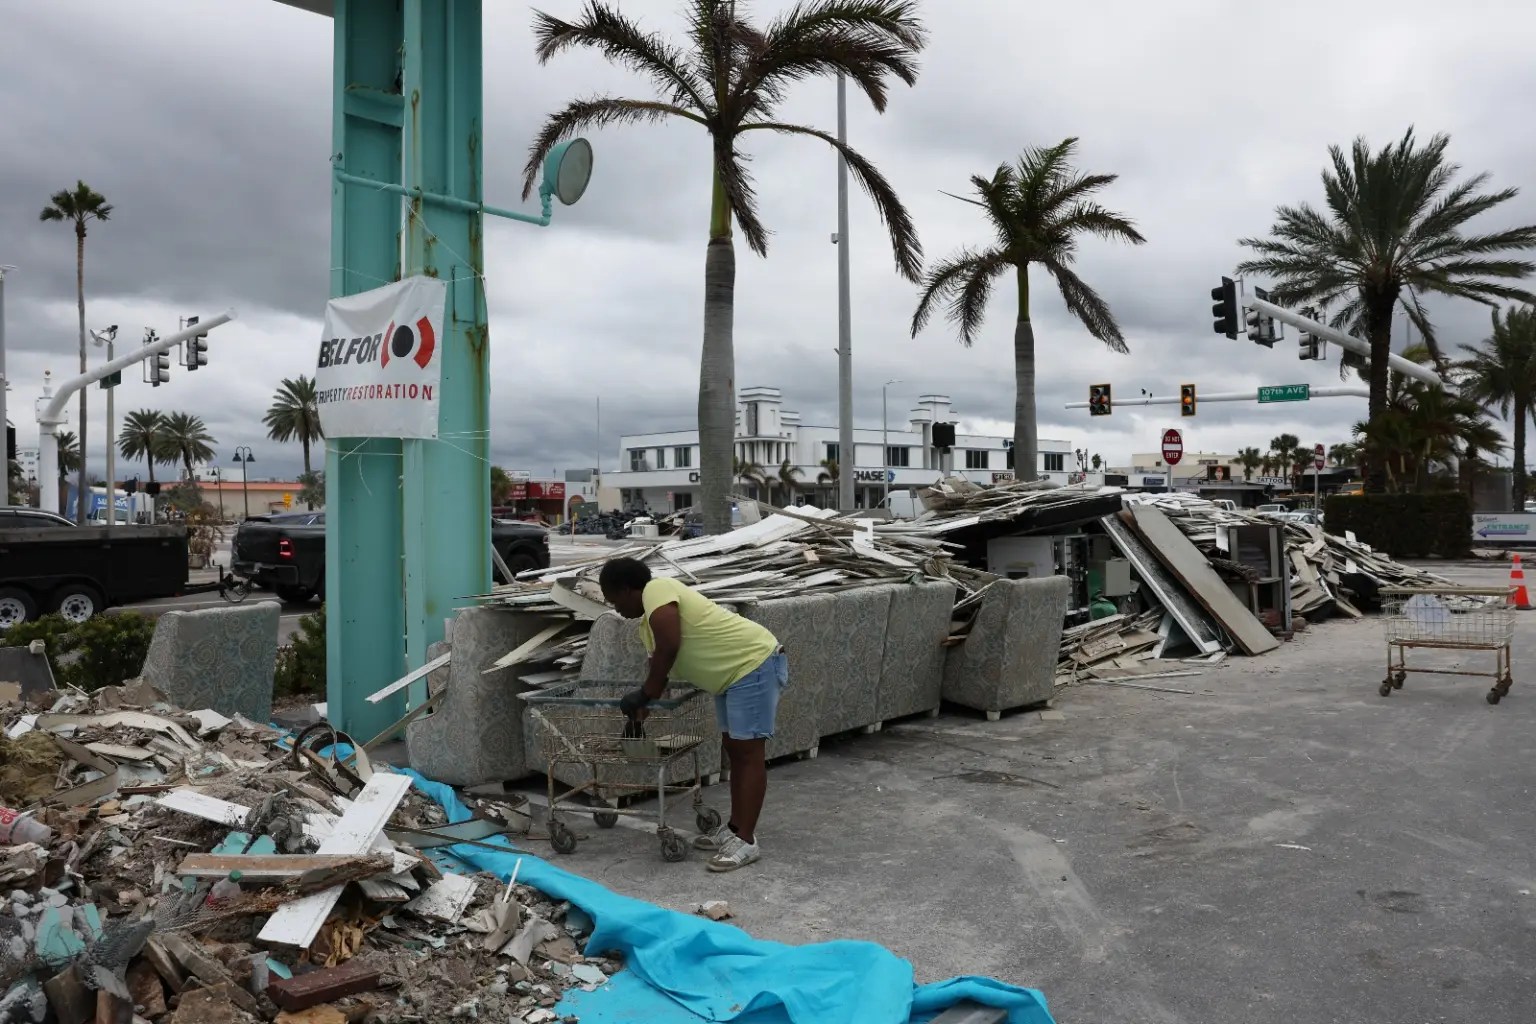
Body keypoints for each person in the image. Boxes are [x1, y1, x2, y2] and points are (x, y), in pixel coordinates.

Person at [598, 556, 787, 872]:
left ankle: (747, 841)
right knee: (734, 749)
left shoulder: (657, 589)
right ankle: (735, 830)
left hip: (753, 663)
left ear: (629, 589)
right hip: (731, 677)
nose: (616, 609)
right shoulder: (647, 627)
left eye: (614, 600)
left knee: (748, 752)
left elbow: (670, 645)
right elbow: (658, 673)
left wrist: (644, 694)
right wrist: (636, 720)